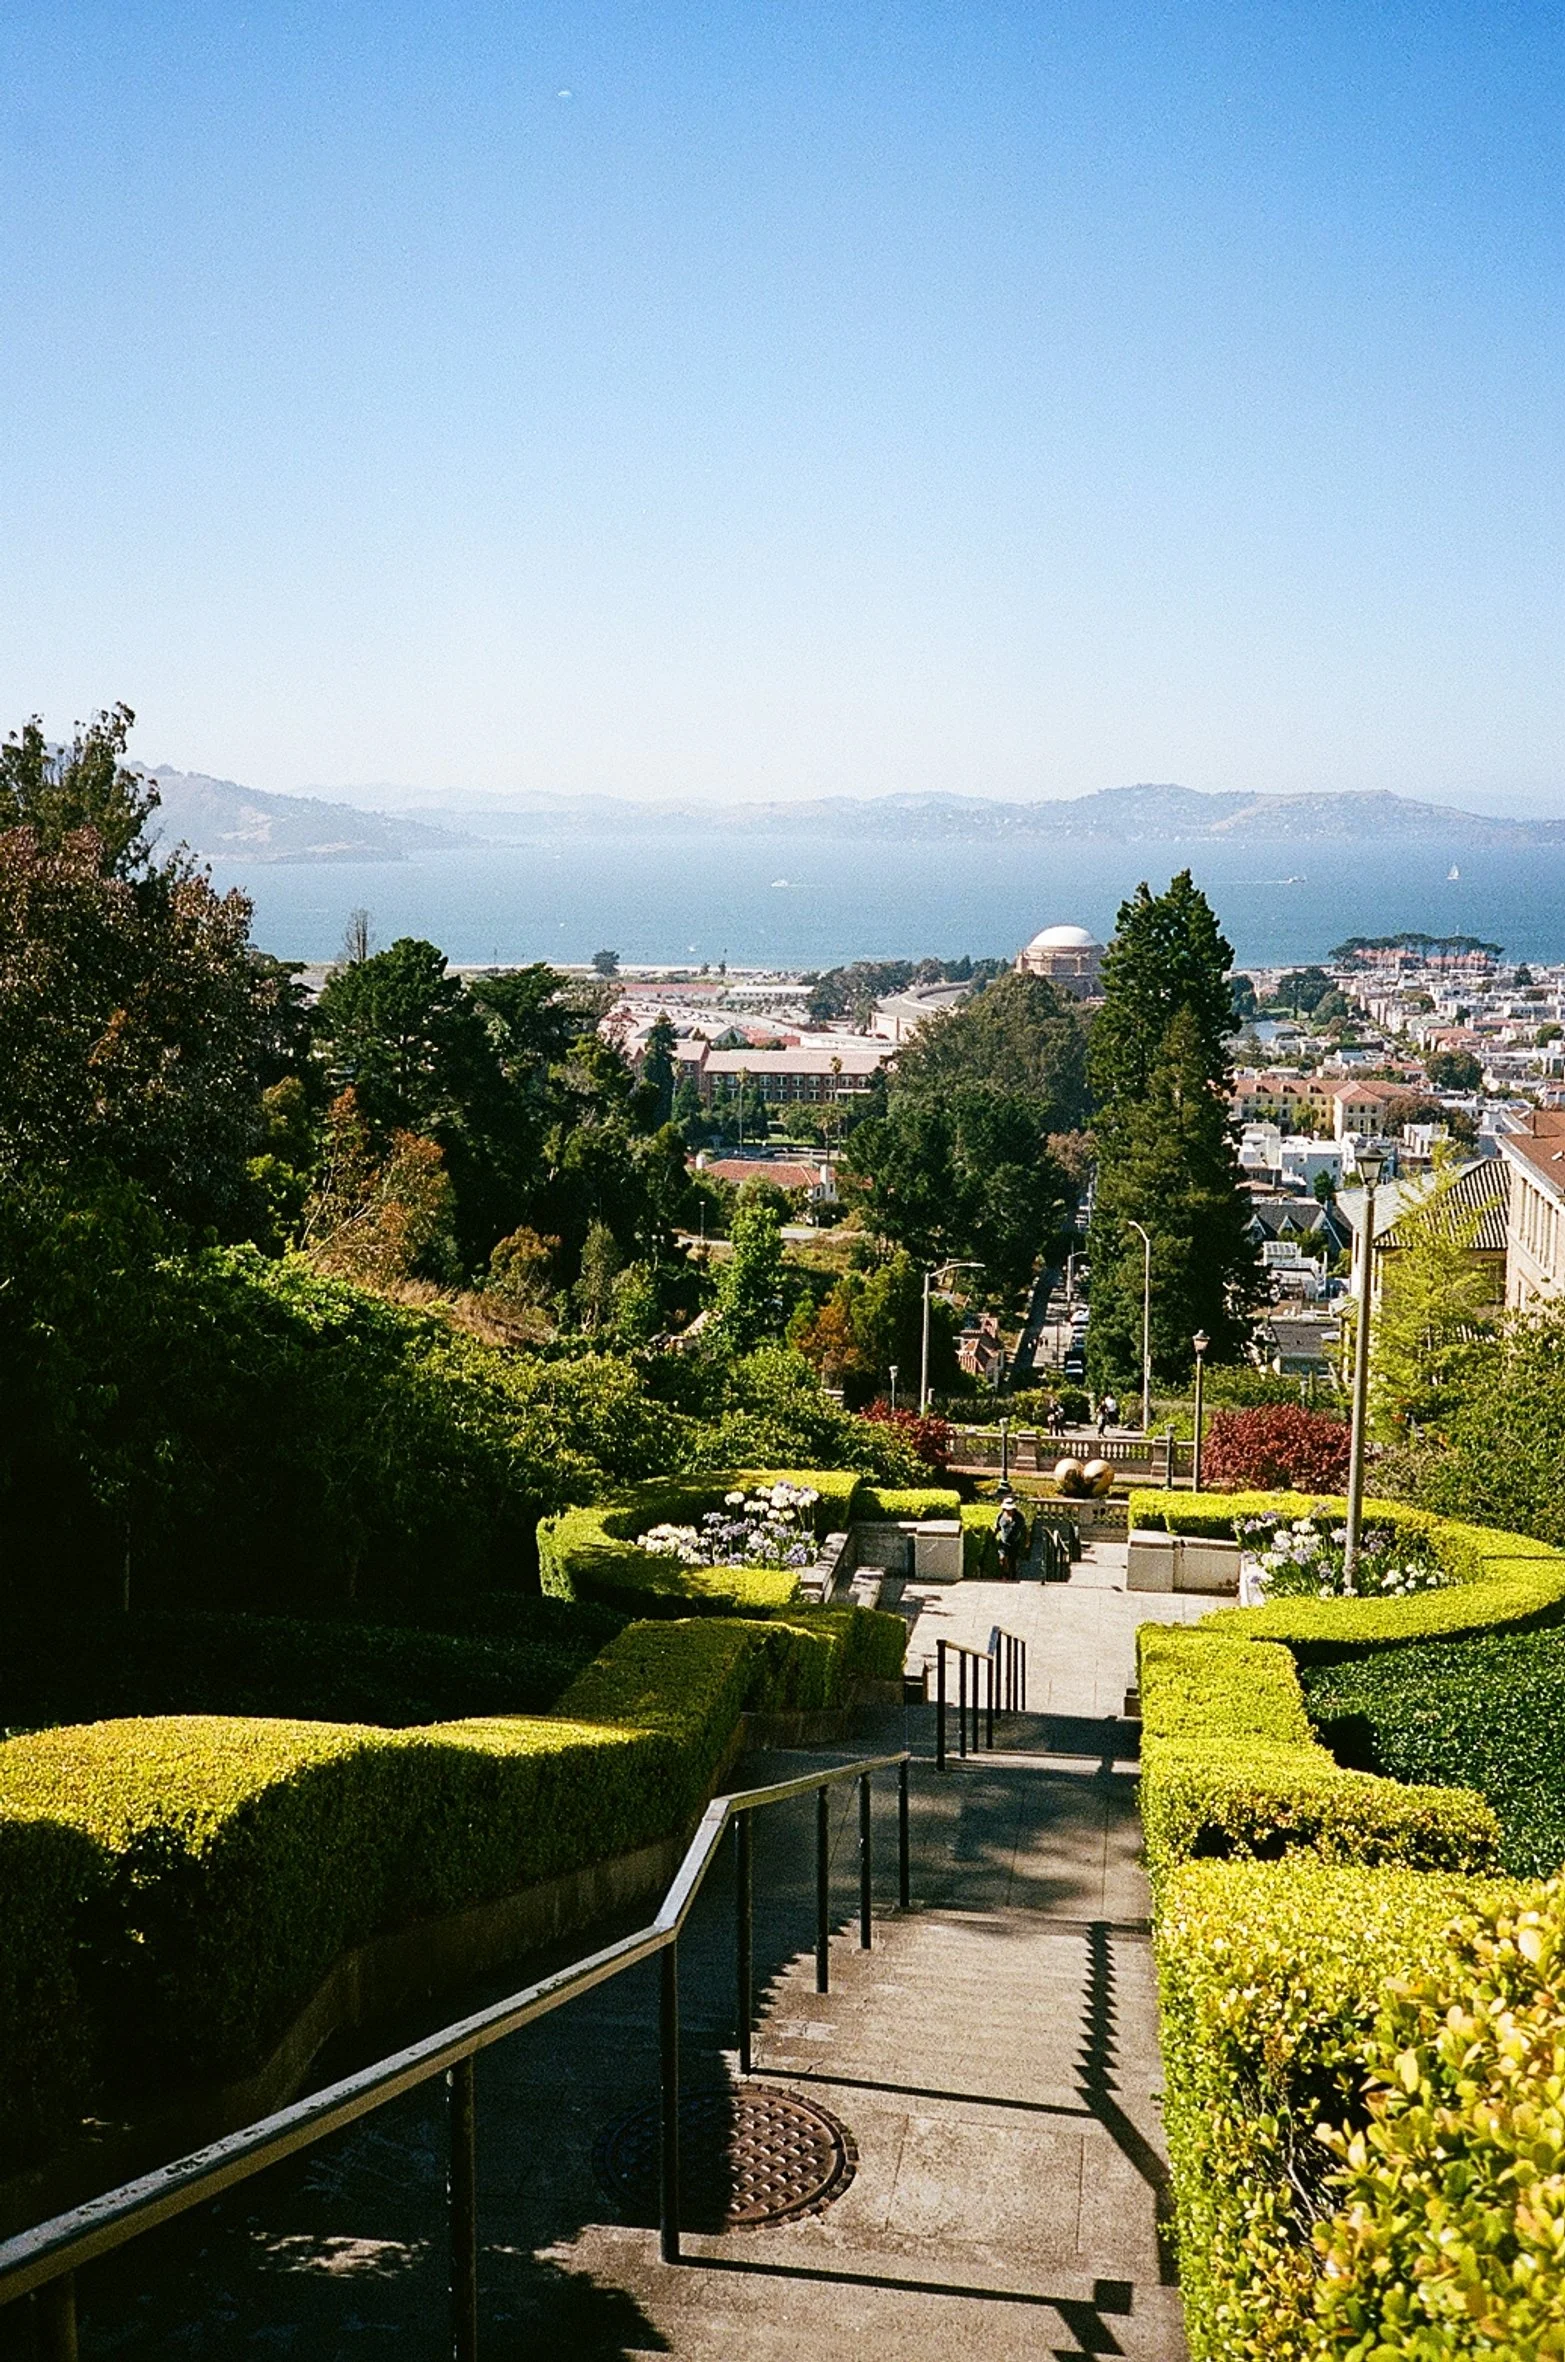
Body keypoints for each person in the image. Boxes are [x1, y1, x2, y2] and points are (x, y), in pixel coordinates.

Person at [994, 1490, 1028, 1580]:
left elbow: (1024, 1529)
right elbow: (997, 1527)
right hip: (1003, 1542)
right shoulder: (1000, 1516)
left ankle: (1013, 1576)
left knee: (1013, 1561)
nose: (1008, 1511)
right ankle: (1005, 1574)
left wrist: (1026, 1541)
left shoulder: (1019, 1517)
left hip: (1015, 1542)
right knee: (1002, 1558)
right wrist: (993, 1536)